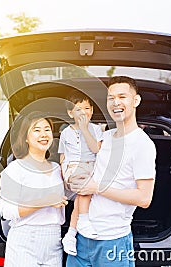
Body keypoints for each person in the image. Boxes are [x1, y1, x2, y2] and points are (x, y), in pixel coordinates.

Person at [67, 76, 157, 266]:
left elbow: (144, 198)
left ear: (136, 100)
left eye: (122, 96)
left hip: (112, 241)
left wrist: (96, 187)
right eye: (110, 98)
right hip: (81, 238)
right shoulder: (106, 137)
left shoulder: (142, 144)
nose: (115, 102)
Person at [0, 113, 69, 267]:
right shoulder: (16, 169)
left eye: (47, 130)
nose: (43, 135)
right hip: (26, 240)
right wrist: (45, 201)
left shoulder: (57, 169)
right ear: (25, 137)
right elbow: (7, 211)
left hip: (54, 241)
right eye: (36, 130)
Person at [59, 91, 104, 256]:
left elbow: (96, 149)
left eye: (87, 108)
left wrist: (85, 129)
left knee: (83, 195)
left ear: (92, 110)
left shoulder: (96, 129)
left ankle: (71, 234)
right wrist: (64, 173)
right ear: (70, 113)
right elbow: (63, 156)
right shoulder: (66, 132)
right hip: (73, 168)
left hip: (92, 167)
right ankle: (83, 220)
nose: (84, 112)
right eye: (78, 109)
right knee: (85, 189)